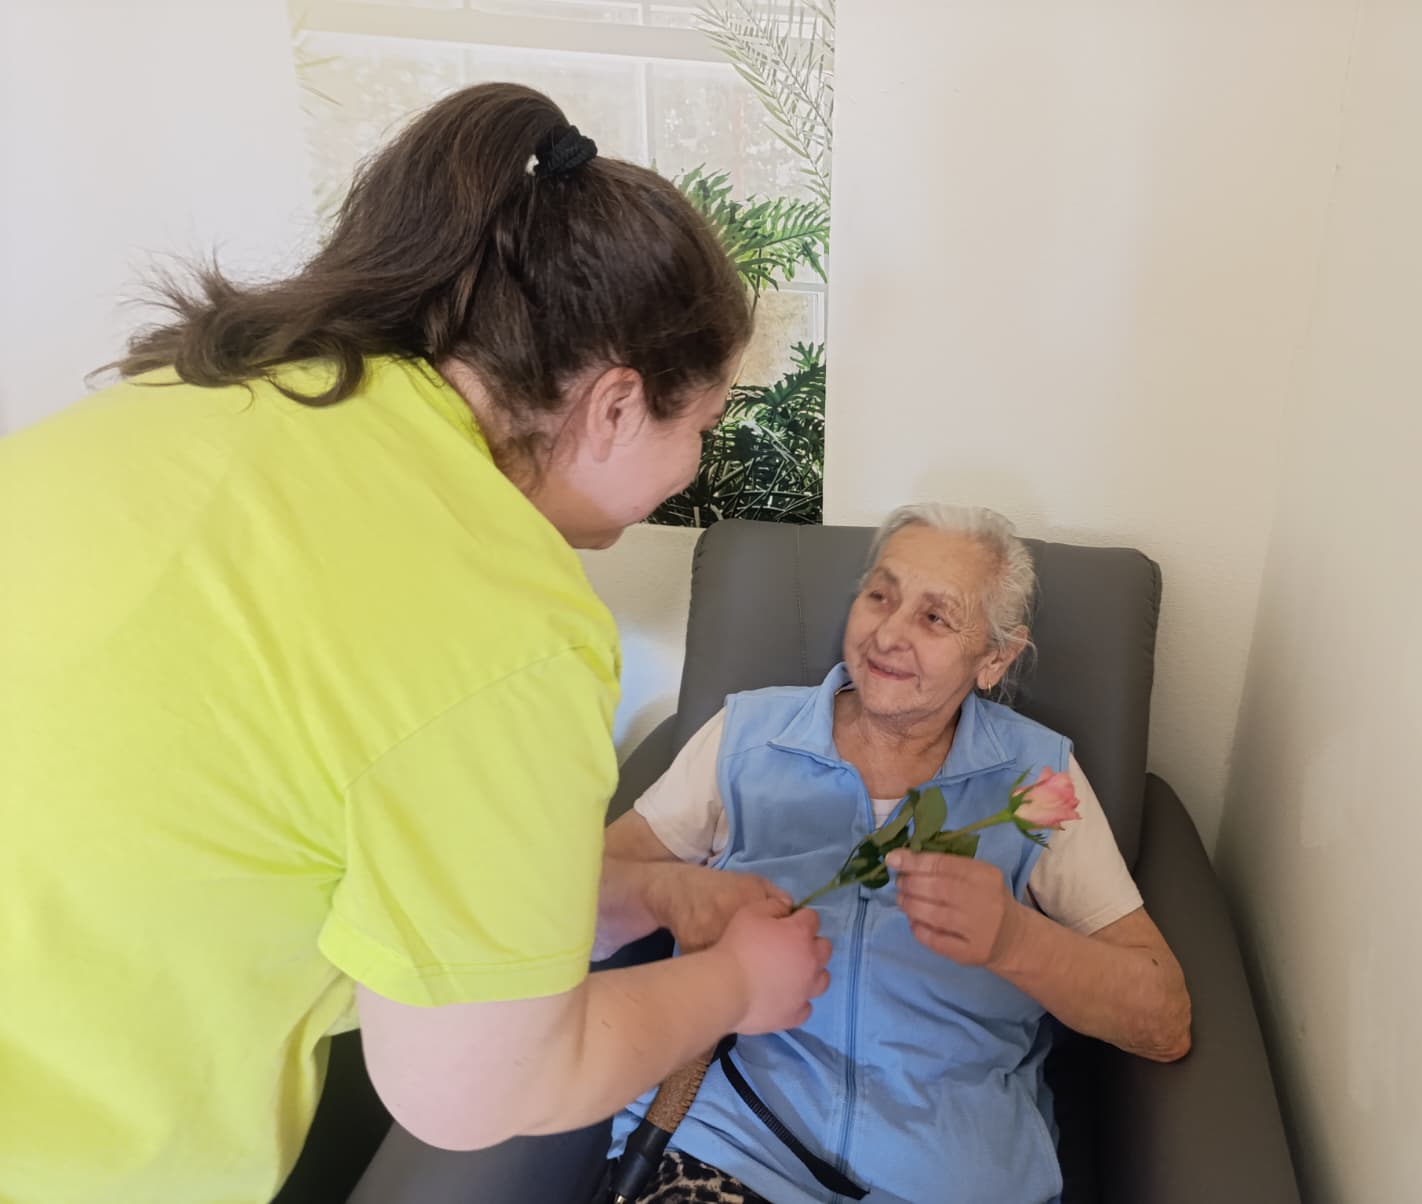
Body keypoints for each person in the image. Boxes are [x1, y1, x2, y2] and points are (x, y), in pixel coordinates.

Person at [0, 83, 829, 1204]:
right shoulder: (505, 622)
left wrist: (647, 897)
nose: (693, 469)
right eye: (703, 427)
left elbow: (335, 814)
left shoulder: (207, 396)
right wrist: (737, 987)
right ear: (616, 405)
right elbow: (477, 1087)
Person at [593, 503, 1192, 1203]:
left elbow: (1164, 1021)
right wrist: (674, 896)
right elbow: (578, 901)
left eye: (935, 617)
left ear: (994, 659)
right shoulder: (749, 736)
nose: (888, 633)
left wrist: (1014, 939)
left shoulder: (1037, 780)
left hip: (951, 1180)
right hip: (733, 1145)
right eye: (880, 595)